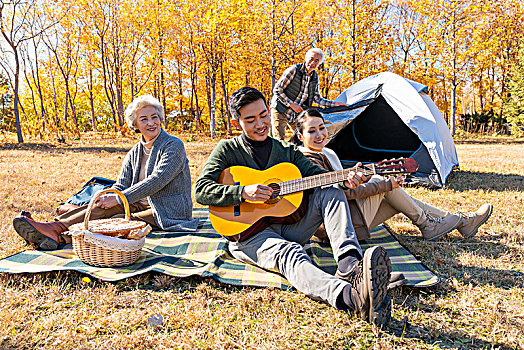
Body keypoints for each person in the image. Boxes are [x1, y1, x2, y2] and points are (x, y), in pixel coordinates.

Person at [194, 87, 392, 326]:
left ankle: (350, 265)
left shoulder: (286, 150)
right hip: (248, 235)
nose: (261, 124)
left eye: (264, 115)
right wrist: (243, 192)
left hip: (290, 225)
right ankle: (351, 298)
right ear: (237, 123)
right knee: (291, 254)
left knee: (330, 190)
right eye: (250, 119)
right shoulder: (227, 150)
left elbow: (318, 176)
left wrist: (345, 179)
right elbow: (201, 190)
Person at [13, 94, 199, 250]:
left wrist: (119, 198)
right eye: (144, 119)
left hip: (167, 210)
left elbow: (157, 180)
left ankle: (60, 235)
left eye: (154, 117)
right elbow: (121, 184)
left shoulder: (174, 145)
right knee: (104, 207)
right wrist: (106, 196)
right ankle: (53, 230)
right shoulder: (136, 151)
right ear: (135, 125)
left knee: (117, 220)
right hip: (136, 204)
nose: (151, 123)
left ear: (160, 119)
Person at [290, 109, 493, 243]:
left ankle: (458, 222)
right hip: (335, 229)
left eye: (322, 128)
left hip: (349, 216)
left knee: (400, 198)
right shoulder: (307, 160)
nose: (319, 135)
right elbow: (344, 195)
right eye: (312, 131)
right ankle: (437, 223)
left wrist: (363, 176)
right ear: (301, 136)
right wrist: (383, 184)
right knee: (384, 184)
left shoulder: (326, 152)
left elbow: (346, 185)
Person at [270, 48, 346, 140]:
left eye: (316, 61)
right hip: (280, 109)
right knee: (279, 140)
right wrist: (292, 104)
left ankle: (293, 153)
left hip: (295, 114)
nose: (313, 62)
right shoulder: (294, 70)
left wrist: (334, 104)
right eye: (311, 59)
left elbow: (317, 99)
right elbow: (277, 90)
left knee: (303, 139)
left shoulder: (314, 77)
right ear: (306, 58)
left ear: (319, 64)